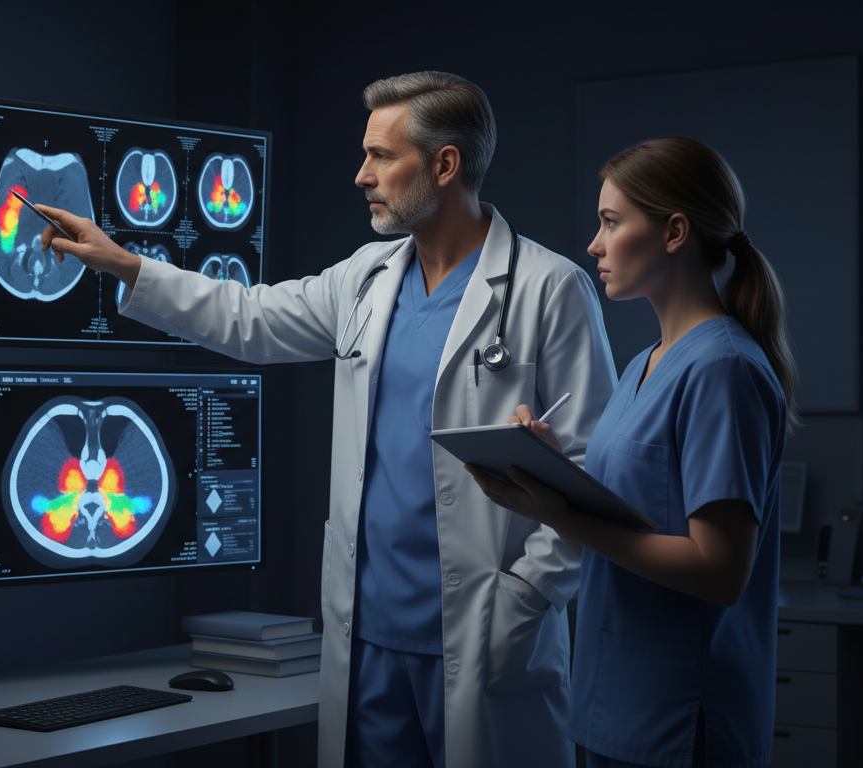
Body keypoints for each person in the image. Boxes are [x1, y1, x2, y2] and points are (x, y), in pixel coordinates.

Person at [36, 71, 617, 767]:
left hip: (486, 636)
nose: (360, 176)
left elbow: (594, 470)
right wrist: (128, 267)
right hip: (367, 638)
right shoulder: (365, 278)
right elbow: (246, 319)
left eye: (381, 156)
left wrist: (525, 595)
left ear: (445, 164)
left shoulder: (548, 288)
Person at [467, 136, 798, 768]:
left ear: (675, 232)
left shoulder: (723, 369)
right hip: (610, 702)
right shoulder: (642, 364)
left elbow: (721, 571)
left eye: (611, 222)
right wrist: (550, 466)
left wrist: (564, 517)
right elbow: (645, 500)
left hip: (679, 719)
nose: (594, 243)